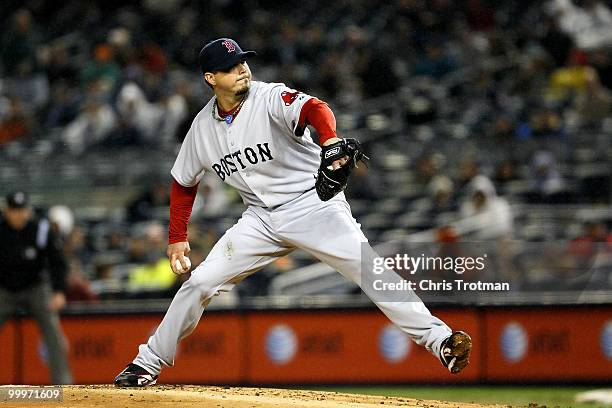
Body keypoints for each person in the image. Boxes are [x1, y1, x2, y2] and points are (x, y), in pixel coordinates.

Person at [114, 38, 472, 387]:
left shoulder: (268, 96)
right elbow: (183, 182)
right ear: (211, 78)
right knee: (199, 283)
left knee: (370, 270)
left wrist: (329, 140)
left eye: (242, 62)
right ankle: (147, 363)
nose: (241, 70)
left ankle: (440, 341)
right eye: (230, 67)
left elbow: (314, 108)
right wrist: (177, 238)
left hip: (313, 203)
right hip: (258, 220)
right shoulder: (201, 129)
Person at [0, 191, 73, 384]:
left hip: (35, 287)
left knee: (53, 333)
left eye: (22, 210)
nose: (18, 215)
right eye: (14, 210)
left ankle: (64, 386)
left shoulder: (40, 228)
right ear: (6, 211)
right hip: (5, 289)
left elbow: (58, 262)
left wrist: (58, 291)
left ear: (28, 210)